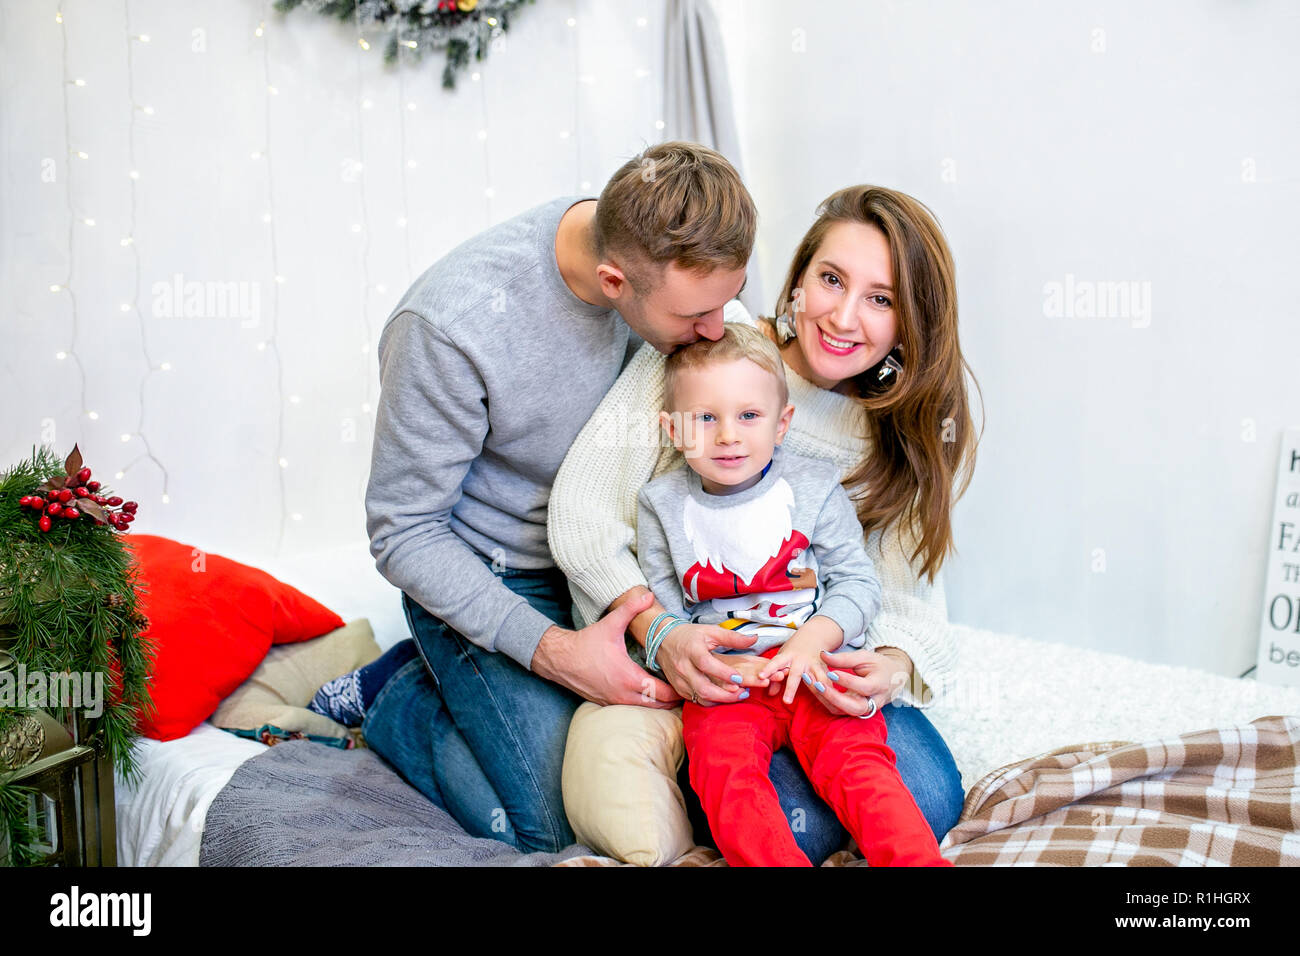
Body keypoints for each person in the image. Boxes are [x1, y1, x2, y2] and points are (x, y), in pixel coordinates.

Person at [328, 142, 759, 853]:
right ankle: (398, 693)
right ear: (614, 282)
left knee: (680, 780)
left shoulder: (685, 269)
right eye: (696, 320)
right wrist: (554, 651)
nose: (716, 330)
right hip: (499, 573)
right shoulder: (450, 327)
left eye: (726, 302)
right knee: (560, 824)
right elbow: (403, 532)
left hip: (622, 559)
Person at [548, 184, 980, 863]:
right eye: (830, 279)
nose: (841, 315)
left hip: (814, 666)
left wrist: (889, 666)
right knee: (585, 806)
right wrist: (661, 634)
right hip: (708, 663)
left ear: (909, 322)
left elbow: (905, 607)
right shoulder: (713, 351)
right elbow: (582, 517)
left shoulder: (896, 431)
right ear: (798, 279)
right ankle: (405, 692)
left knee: (924, 795)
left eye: (881, 298)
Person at [635, 323, 950, 866]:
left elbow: (856, 583)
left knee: (862, 768)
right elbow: (668, 614)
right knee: (724, 777)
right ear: (672, 429)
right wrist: (714, 663)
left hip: (817, 667)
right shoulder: (660, 504)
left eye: (749, 416)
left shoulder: (814, 487)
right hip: (730, 684)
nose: (728, 435)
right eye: (705, 418)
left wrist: (810, 644)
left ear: (782, 424)